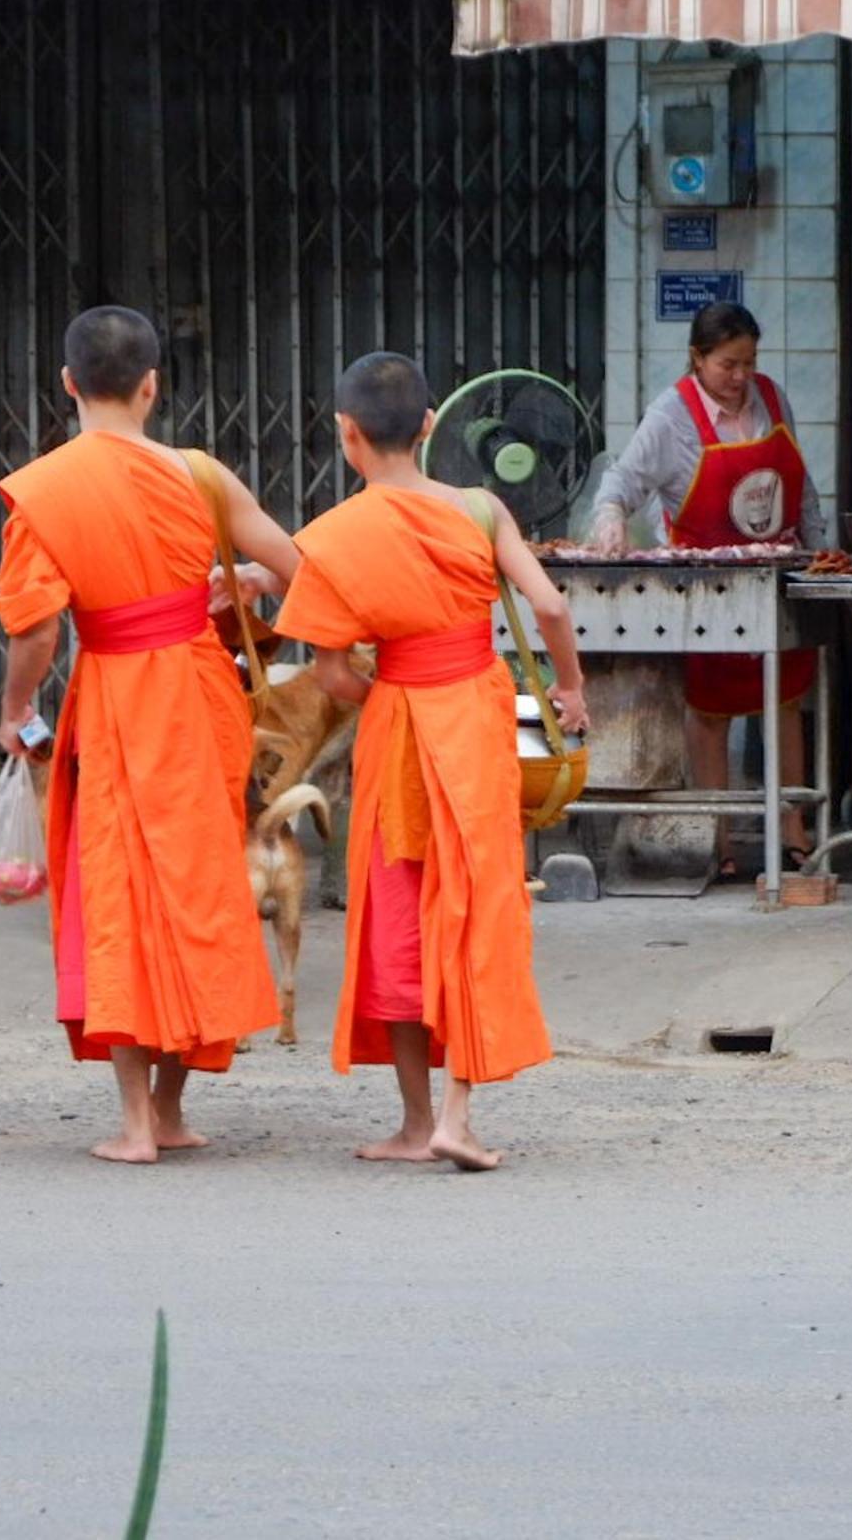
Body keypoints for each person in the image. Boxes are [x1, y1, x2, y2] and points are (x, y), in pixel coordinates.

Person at [251, 351, 588, 1170]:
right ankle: (458, 1116)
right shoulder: (479, 507)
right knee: (473, 898)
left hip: (398, 719)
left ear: (347, 433)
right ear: (434, 425)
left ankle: (410, 1124)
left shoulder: (333, 536)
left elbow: (329, 669)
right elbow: (547, 604)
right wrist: (571, 692)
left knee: (396, 906)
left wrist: (387, 686)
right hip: (472, 712)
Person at [0, 305, 302, 1165]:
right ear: (153, 384)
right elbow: (294, 570)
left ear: (67, 383)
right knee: (195, 886)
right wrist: (222, 584)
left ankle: (135, 1124)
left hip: (118, 695)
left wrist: (18, 709)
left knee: (119, 894)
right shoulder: (200, 474)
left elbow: (37, 630)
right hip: (200, 692)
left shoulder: (45, 488)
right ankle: (170, 1108)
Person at [586, 302, 823, 876]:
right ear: (697, 358)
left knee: (786, 702)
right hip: (709, 590)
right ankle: (715, 838)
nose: (741, 377)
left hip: (778, 577)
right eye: (727, 365)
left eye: (748, 361)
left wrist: (819, 552)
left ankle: (793, 825)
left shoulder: (770, 396)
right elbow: (623, 480)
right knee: (711, 709)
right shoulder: (671, 415)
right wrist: (611, 515)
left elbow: (802, 482)